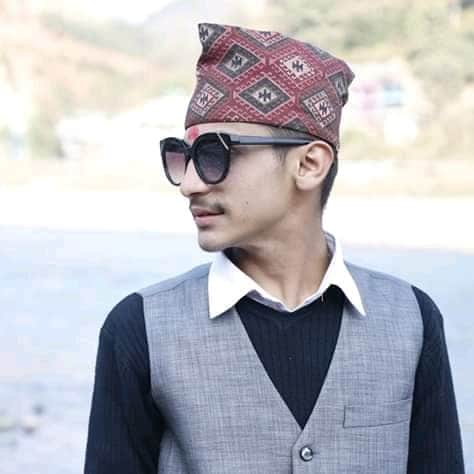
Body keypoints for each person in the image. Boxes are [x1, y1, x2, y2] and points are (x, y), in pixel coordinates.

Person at [84, 22, 465, 473]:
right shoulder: (139, 329)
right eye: (183, 157)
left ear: (309, 164)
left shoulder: (411, 320)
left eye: (215, 154)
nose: (189, 184)